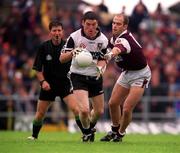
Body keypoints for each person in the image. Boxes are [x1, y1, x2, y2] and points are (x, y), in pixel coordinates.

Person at [100, 14, 151, 142]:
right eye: (113, 23)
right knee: (113, 103)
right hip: (127, 72)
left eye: (118, 23)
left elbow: (119, 49)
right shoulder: (114, 39)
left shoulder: (125, 39)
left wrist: (111, 54)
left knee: (127, 108)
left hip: (141, 74)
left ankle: (120, 134)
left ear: (125, 26)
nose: (114, 25)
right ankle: (114, 130)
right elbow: (109, 48)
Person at [60, 11, 108, 142]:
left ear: (97, 24)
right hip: (78, 76)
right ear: (82, 23)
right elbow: (62, 58)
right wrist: (72, 53)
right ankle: (87, 133)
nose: (91, 28)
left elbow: (103, 59)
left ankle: (89, 129)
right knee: (85, 110)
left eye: (93, 25)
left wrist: (100, 68)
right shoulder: (74, 37)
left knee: (99, 111)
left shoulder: (103, 40)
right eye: (88, 24)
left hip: (95, 77)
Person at [28, 20, 80, 140]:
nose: (57, 33)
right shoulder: (43, 47)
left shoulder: (69, 45)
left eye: (59, 30)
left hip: (65, 84)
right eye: (54, 30)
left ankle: (85, 135)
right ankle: (34, 136)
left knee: (76, 109)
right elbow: (37, 68)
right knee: (40, 114)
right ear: (50, 32)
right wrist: (43, 82)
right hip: (48, 85)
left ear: (62, 32)